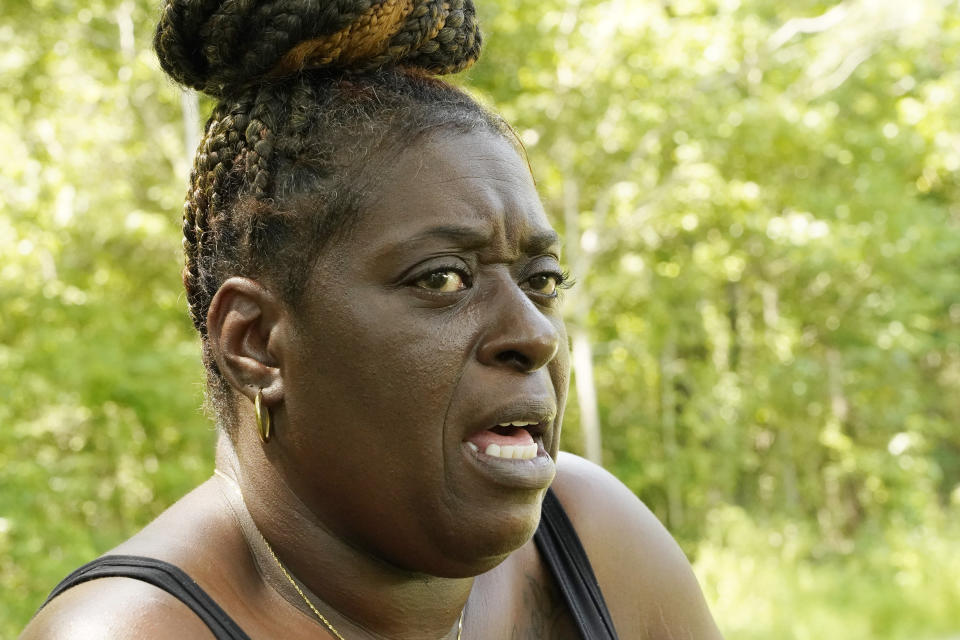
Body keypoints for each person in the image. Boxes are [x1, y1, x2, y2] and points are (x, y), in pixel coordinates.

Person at [22, 1, 722, 638]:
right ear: (257, 343)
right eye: (442, 279)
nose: (535, 336)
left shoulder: (593, 541)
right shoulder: (134, 631)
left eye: (541, 281)